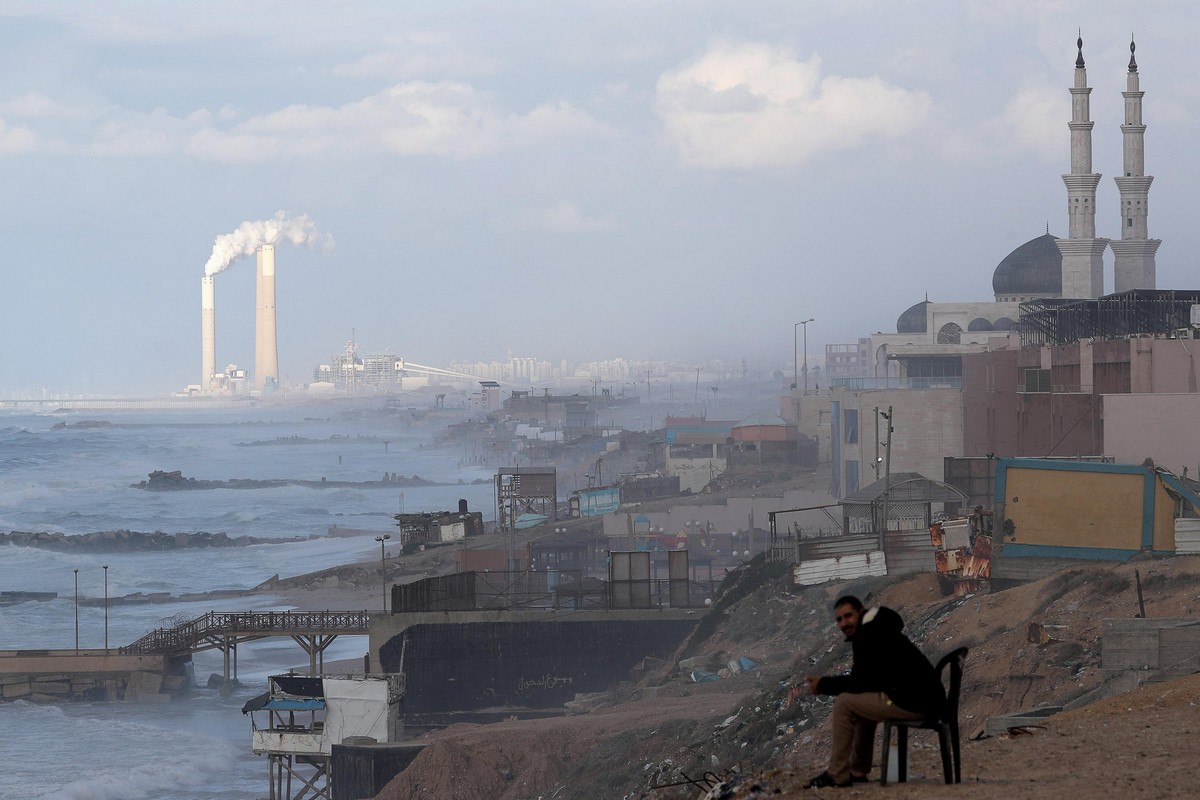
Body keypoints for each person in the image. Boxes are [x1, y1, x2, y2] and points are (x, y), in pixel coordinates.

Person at [802, 595, 945, 788]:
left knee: (845, 702)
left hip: (914, 702)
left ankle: (837, 775)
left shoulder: (869, 635)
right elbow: (867, 682)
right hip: (920, 699)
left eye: (848, 616)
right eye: (839, 619)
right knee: (859, 702)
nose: (844, 623)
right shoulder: (878, 627)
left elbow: (860, 682)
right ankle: (857, 771)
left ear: (860, 612)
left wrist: (822, 685)